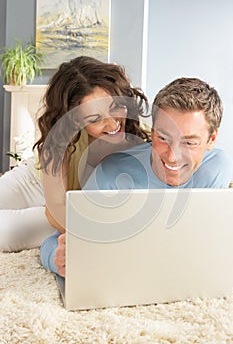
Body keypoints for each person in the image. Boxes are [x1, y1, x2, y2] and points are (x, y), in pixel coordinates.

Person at [40, 77, 233, 277]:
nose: (173, 156)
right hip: (38, 183)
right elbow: (53, 243)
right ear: (153, 131)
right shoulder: (112, 173)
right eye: (163, 138)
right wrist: (58, 259)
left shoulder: (218, 167)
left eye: (189, 143)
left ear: (211, 139)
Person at [0, 56, 150, 252]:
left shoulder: (140, 135)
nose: (113, 124)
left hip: (71, 209)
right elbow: (56, 210)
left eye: (115, 107)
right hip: (33, 187)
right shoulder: (62, 136)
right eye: (95, 118)